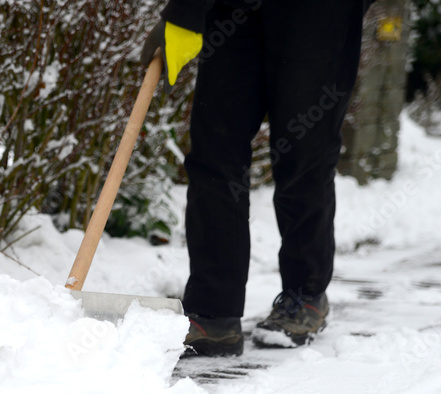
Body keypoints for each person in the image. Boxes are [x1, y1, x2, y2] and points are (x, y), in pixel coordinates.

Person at [141, 0, 373, 356]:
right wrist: (184, 14)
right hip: (234, 10)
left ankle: (304, 294)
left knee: (304, 150)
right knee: (214, 151)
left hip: (319, 13)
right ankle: (213, 310)